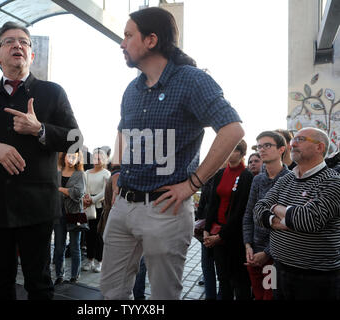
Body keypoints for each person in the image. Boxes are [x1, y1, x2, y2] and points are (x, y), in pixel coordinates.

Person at [100, 7, 244, 300]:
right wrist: (116, 171)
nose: (122, 43)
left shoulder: (192, 80)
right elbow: (122, 132)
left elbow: (233, 130)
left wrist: (193, 184)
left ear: (151, 40)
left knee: (164, 295)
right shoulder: (132, 89)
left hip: (165, 210)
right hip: (123, 206)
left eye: (128, 35)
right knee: (111, 292)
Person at [0, 21, 81, 300]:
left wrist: (40, 129)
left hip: (38, 207)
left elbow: (75, 139)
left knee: (39, 284)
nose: (17, 45)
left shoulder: (52, 92)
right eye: (9, 41)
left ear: (31, 55)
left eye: (24, 41)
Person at [254, 127, 340, 300]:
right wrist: (284, 218)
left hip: (316, 278)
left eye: (301, 139)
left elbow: (309, 220)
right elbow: (257, 211)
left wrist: (274, 208)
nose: (293, 144)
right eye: (293, 140)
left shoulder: (333, 181)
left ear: (320, 147)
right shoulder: (286, 179)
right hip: (279, 269)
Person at [242, 131, 289, 300]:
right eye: (259, 146)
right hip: (253, 252)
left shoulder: (291, 179)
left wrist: (267, 253)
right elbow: (248, 214)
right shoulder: (258, 180)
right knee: (258, 294)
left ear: (281, 149)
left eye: (267, 145)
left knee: (270, 297)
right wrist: (248, 245)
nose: (262, 149)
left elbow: (288, 223)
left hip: (276, 256)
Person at [204, 140, 252, 300]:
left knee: (239, 281)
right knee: (223, 279)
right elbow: (213, 203)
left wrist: (221, 236)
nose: (230, 153)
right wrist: (206, 229)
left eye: (234, 149)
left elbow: (240, 211)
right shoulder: (220, 173)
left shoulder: (246, 176)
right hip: (216, 232)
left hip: (234, 236)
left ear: (241, 153)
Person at [54, 151, 85, 285]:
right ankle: (59, 275)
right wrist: (67, 191)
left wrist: (60, 189)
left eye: (74, 156)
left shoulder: (80, 174)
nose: (71, 159)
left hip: (75, 213)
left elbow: (78, 193)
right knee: (58, 246)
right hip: (58, 213)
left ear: (78, 159)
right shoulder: (57, 173)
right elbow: (51, 190)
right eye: (69, 156)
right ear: (64, 157)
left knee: (74, 246)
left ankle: (74, 276)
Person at [82, 148, 111, 273]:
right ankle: (89, 260)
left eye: (99, 158)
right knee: (89, 234)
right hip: (87, 207)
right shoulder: (87, 172)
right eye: (94, 158)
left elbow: (105, 191)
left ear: (104, 159)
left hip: (99, 207)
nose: (96, 160)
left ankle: (100, 261)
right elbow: (83, 187)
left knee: (99, 235)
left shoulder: (106, 173)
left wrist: (93, 200)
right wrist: (86, 198)